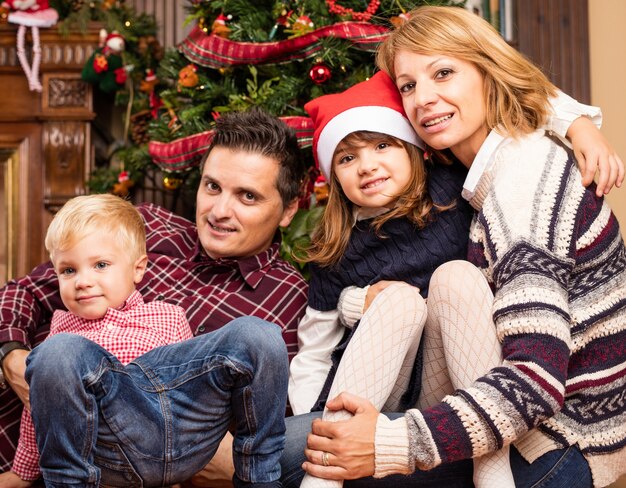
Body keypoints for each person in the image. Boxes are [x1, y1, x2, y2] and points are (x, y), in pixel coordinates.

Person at [285, 6, 626, 488]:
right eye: (408, 86)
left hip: (556, 443)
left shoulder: (521, 180)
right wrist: (575, 121)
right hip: (507, 417)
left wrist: (385, 446)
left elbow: (535, 382)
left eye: (443, 72)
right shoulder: (477, 170)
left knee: (294, 453)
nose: (424, 99)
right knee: (310, 443)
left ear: (487, 72)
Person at [0, 108, 309, 477]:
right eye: (212, 187)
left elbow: (260, 431)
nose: (219, 211)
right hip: (15, 435)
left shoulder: (290, 301)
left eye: (247, 196)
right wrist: (13, 359)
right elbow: (25, 291)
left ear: (289, 209)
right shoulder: (148, 227)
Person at [290, 70, 514, 488]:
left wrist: (578, 127)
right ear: (334, 176)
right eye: (347, 157)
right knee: (399, 300)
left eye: (381, 145)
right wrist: (306, 417)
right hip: (376, 395)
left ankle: (493, 469)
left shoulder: (451, 192)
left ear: (412, 147)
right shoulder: (334, 245)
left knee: (458, 275)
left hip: (446, 392)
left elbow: (516, 116)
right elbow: (314, 347)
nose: (367, 165)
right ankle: (324, 474)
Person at [0, 193, 194, 487]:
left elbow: (190, 393)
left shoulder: (166, 319)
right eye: (69, 270)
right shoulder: (60, 332)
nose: (83, 281)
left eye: (100, 265)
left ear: (138, 268)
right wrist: (24, 472)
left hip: (151, 458)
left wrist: (182, 469)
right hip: (81, 469)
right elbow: (36, 410)